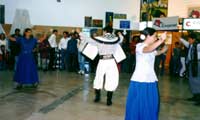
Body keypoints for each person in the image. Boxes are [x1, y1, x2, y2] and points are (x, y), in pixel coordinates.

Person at [125, 27, 168, 120]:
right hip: (140, 80)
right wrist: (160, 40)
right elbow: (147, 49)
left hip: (151, 80)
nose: (156, 38)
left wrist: (164, 49)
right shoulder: (140, 46)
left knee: (151, 104)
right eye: (155, 36)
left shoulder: (151, 49)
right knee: (138, 105)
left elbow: (156, 52)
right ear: (147, 36)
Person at [79, 26, 125, 106]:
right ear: (111, 31)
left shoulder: (99, 39)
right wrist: (119, 33)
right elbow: (121, 38)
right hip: (111, 61)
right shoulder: (115, 39)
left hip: (102, 61)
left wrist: (80, 32)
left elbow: (88, 39)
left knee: (98, 78)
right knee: (112, 79)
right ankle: (109, 100)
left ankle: (97, 97)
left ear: (104, 31)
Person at [179, 33, 200, 106]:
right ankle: (196, 95)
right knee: (192, 80)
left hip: (197, 64)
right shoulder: (191, 45)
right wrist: (180, 39)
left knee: (197, 80)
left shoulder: (198, 45)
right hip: (192, 64)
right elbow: (186, 43)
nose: (188, 40)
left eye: (189, 39)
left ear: (193, 39)